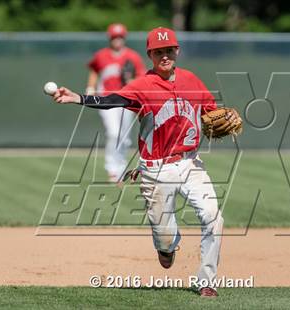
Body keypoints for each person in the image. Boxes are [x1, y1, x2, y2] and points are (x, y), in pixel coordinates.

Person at [53, 27, 224, 298]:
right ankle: (166, 246)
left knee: (213, 217)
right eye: (159, 52)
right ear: (150, 55)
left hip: (191, 163)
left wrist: (221, 118)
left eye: (169, 50)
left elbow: (212, 110)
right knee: (166, 243)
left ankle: (207, 281)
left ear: (177, 51)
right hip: (156, 170)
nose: (165, 56)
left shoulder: (192, 80)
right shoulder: (142, 85)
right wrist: (78, 98)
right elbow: (111, 100)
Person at [87, 23, 146, 182]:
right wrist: (90, 87)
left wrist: (131, 80)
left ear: (124, 38)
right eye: (114, 37)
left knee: (124, 137)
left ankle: (120, 167)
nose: (117, 40)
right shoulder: (101, 55)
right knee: (114, 132)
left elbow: (142, 78)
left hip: (126, 100)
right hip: (106, 99)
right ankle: (112, 168)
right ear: (110, 38)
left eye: (120, 37)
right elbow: (94, 70)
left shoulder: (132, 56)